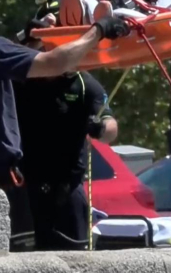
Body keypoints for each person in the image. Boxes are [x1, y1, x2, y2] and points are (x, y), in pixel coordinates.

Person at [0, 7, 129, 251]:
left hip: (60, 188)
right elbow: (53, 62)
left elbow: (111, 126)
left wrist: (100, 128)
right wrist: (99, 31)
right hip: (10, 184)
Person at [14, 63, 118, 250]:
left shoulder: (84, 84)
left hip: (66, 189)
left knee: (74, 257)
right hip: (26, 188)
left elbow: (111, 127)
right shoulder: (22, 76)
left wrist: (100, 128)